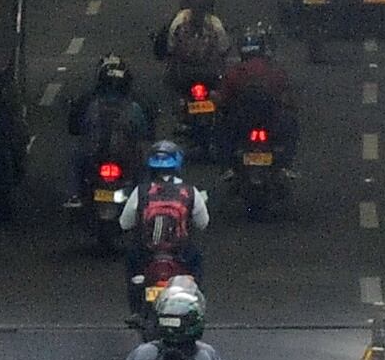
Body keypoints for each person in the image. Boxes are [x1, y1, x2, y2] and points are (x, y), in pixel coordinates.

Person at [120, 140, 209, 316]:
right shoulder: (190, 192)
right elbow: (203, 223)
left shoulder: (141, 191)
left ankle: (135, 311)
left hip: (147, 253)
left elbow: (125, 223)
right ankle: (196, 307)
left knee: (132, 266)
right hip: (180, 254)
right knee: (197, 264)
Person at [66, 54, 154, 208]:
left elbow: (75, 127)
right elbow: (145, 132)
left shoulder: (90, 103)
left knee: (75, 156)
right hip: (125, 156)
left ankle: (75, 195)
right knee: (145, 162)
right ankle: (145, 198)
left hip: (94, 154)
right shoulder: (135, 107)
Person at [215, 28, 298, 171]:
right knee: (292, 126)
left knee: (221, 128)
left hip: (241, 122)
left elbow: (223, 100)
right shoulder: (275, 71)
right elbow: (289, 99)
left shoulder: (234, 73)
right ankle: (287, 166)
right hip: (272, 121)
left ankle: (226, 166)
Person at [156, 0, 231, 94]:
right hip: (207, 76)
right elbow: (223, 49)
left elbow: (170, 49)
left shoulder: (178, 21)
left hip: (185, 76)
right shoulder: (215, 24)